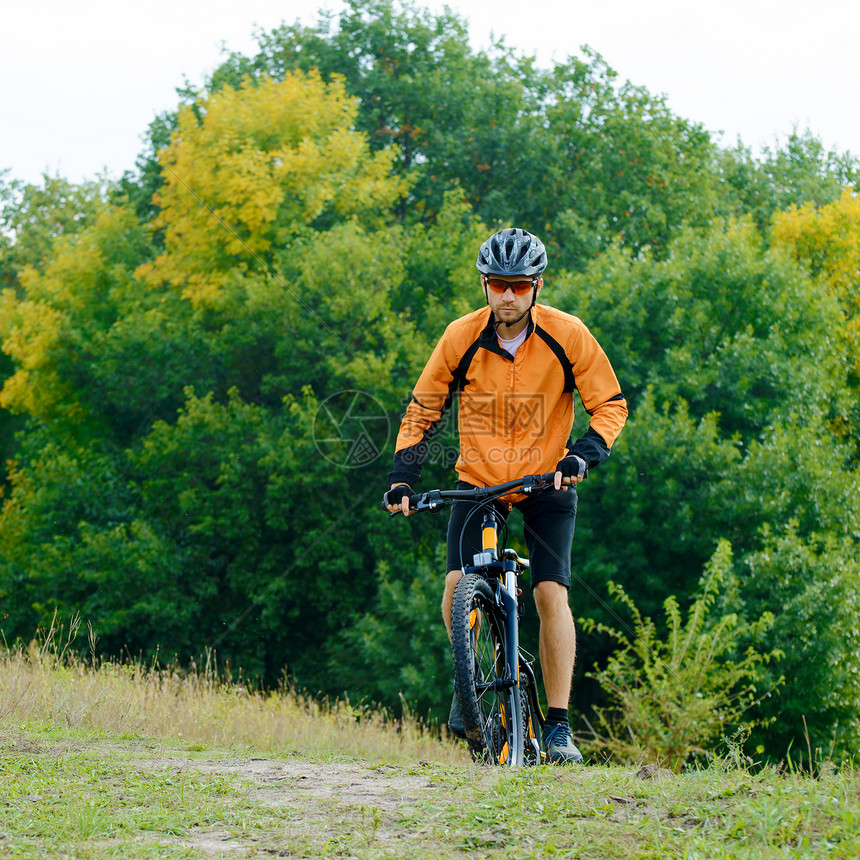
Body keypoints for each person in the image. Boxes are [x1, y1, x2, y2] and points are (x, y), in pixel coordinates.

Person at [384, 228, 627, 763]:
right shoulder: (460, 336)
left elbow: (610, 405)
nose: (508, 296)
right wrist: (403, 477)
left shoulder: (568, 335)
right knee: (455, 590)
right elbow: (422, 411)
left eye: (518, 285)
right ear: (485, 284)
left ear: (536, 286)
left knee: (549, 595)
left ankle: (559, 727)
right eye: (498, 285)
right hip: (481, 479)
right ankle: (470, 685)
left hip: (547, 480)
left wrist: (581, 455)